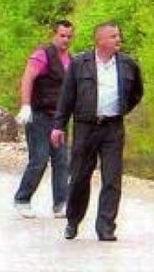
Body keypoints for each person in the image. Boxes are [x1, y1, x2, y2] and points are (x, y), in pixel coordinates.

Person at [51, 21, 144, 241]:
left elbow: (137, 93)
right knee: (80, 177)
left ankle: (106, 227)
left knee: (112, 179)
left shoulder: (128, 64)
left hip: (112, 127)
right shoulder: (79, 63)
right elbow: (67, 97)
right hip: (85, 126)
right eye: (113, 36)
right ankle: (73, 221)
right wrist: (58, 125)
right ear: (99, 40)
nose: (118, 40)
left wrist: (121, 109)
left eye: (118, 36)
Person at [13, 20, 74, 218]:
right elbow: (27, 78)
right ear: (54, 35)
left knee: (61, 161)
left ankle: (61, 204)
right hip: (39, 115)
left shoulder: (70, 60)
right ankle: (22, 199)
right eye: (62, 35)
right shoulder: (42, 55)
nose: (65, 40)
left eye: (69, 36)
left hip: (59, 119)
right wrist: (25, 104)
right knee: (39, 159)